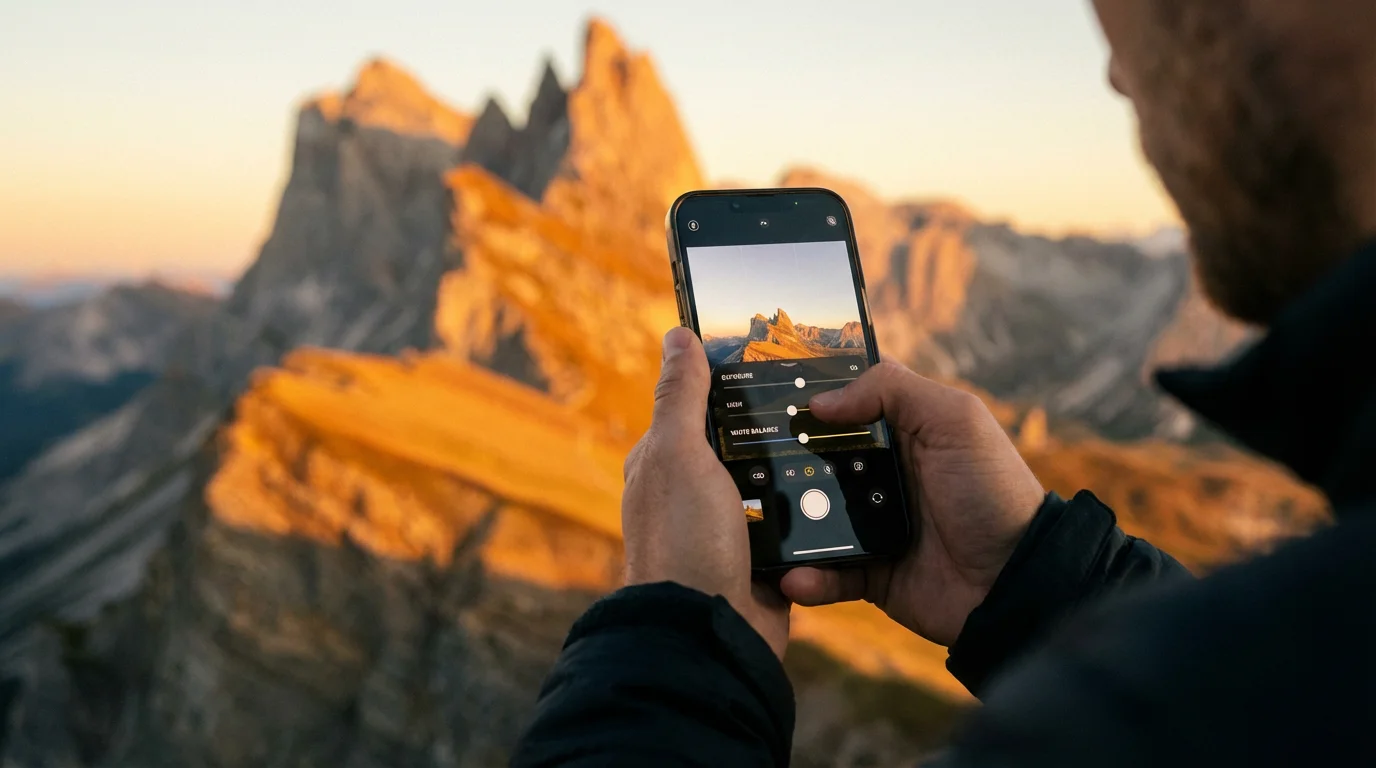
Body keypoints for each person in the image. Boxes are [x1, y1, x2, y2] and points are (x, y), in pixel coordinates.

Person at [512, 0, 1376, 765]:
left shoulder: (1110, 733)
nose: (1114, 71)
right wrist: (1030, 576)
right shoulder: (1303, 669)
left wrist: (677, 640)